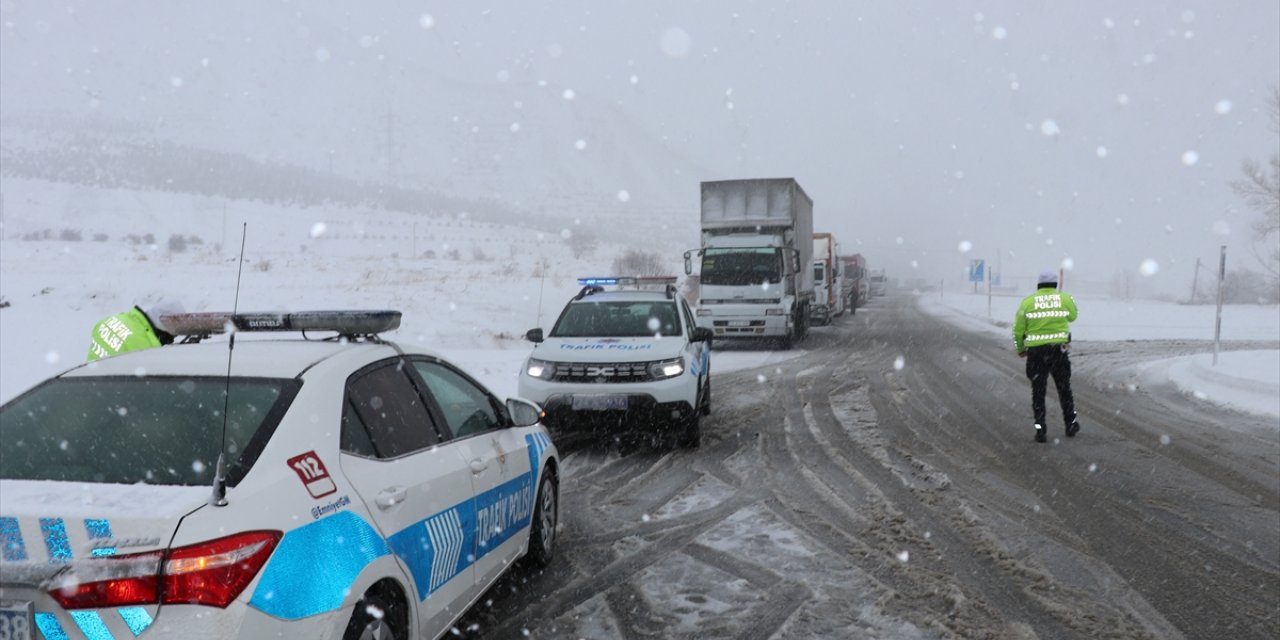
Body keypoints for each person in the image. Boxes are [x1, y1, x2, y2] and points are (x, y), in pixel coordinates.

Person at [1013, 271, 1079, 443]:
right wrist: (1065, 300)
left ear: (1038, 285)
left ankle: (1040, 429)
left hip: (1036, 354)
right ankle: (1071, 424)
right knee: (1065, 389)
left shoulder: (1027, 302)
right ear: (1055, 284)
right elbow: (1073, 316)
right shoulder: (1063, 298)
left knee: (1038, 392)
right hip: (1059, 352)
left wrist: (1020, 349)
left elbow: (1018, 329)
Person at [87, 300, 185, 361]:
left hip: (88, 377)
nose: (172, 340)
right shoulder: (146, 348)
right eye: (172, 336)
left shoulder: (113, 319)